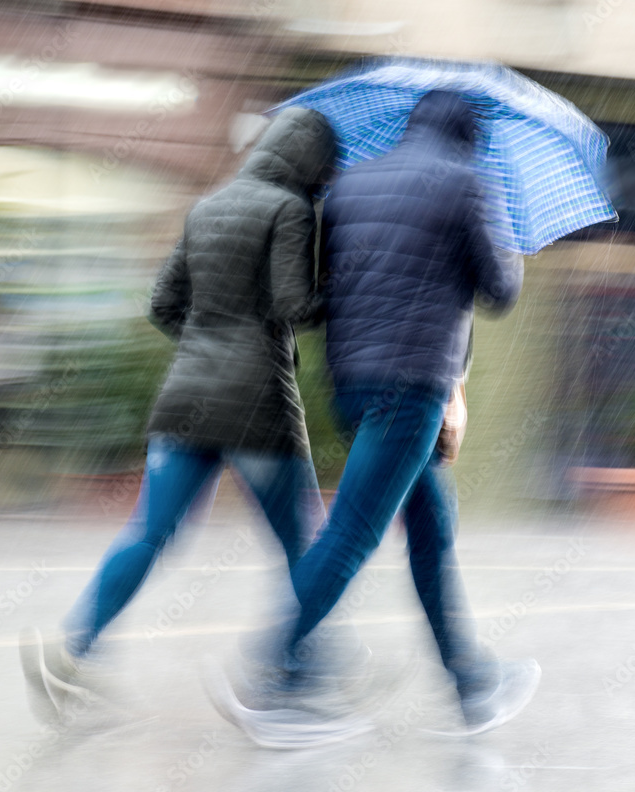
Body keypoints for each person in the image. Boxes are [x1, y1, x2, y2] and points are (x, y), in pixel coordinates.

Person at [215, 90, 538, 743]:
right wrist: (509, 247)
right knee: (354, 533)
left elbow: (327, 289)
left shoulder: (351, 183)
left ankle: (471, 682)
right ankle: (275, 666)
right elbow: (498, 292)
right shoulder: (469, 183)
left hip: (353, 383)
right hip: (412, 384)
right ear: (468, 135)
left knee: (430, 535)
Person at [19, 107, 338, 723]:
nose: (328, 175)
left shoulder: (207, 206)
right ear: (307, 158)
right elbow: (294, 305)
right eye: (326, 161)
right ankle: (298, 675)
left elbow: (162, 305)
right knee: (306, 542)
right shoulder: (291, 210)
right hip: (256, 408)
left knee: (149, 531)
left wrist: (207, 342)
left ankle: (75, 646)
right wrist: (339, 288)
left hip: (184, 401)